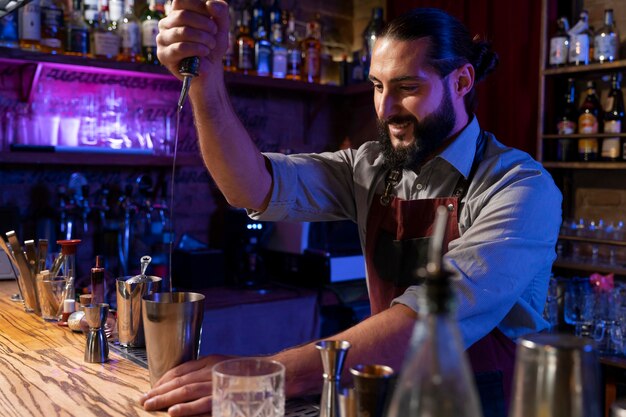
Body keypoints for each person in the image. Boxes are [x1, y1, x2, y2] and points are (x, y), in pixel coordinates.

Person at [142, 3, 562, 416]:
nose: (386, 109)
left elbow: (429, 321)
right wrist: (206, 80)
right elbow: (251, 186)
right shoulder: (370, 167)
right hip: (388, 397)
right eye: (378, 87)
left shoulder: (520, 187)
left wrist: (270, 373)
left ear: (462, 81)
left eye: (408, 88)